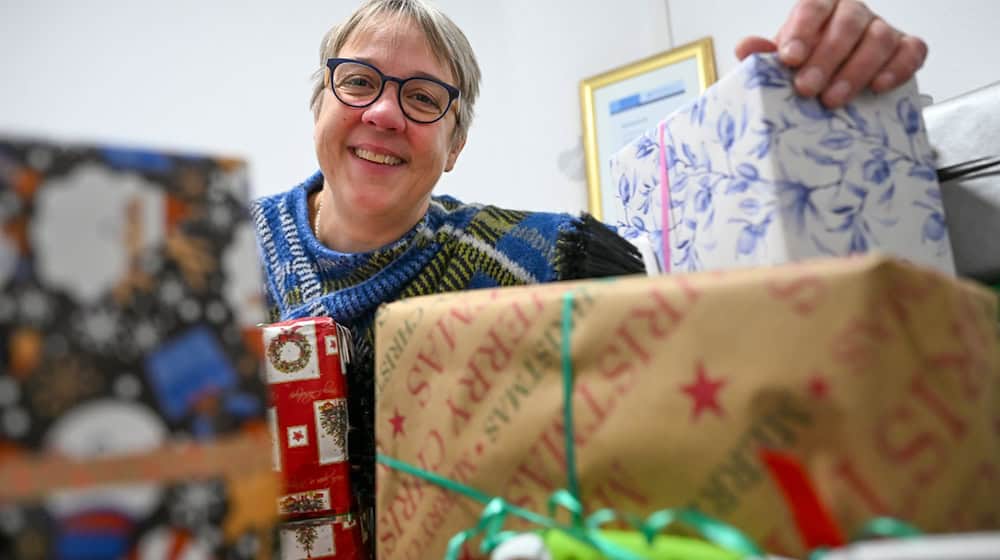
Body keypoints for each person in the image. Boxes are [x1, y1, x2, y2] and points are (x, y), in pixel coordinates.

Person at [251, 0, 929, 547]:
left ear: (455, 145)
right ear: (319, 104)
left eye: (424, 97)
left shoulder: (548, 260)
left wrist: (818, 121)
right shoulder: (218, 258)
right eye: (359, 82)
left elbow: (728, 366)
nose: (383, 113)